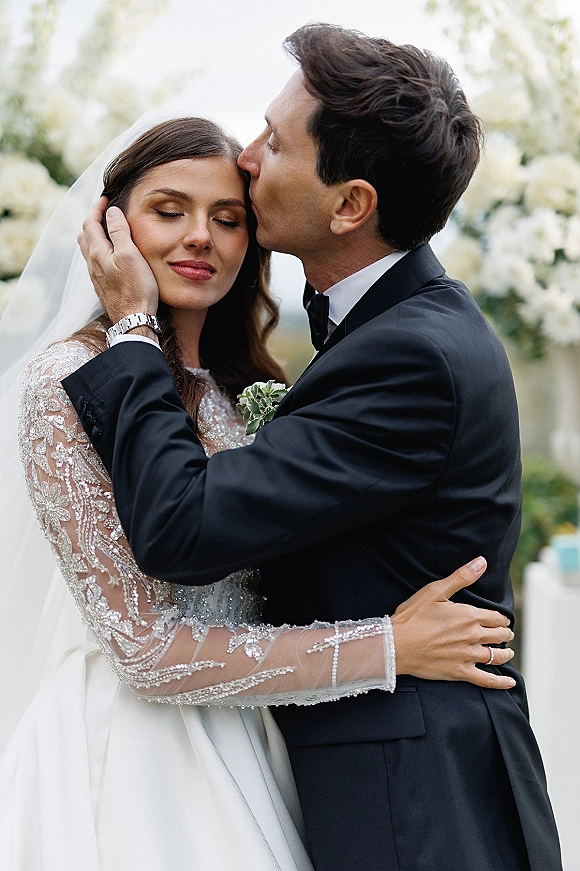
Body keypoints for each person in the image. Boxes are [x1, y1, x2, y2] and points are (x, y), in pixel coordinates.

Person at [66, 24, 563, 871]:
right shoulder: (394, 327)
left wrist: (135, 329)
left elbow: (182, 529)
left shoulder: (412, 355)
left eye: (276, 141)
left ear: (350, 205)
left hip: (410, 807)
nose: (248, 157)